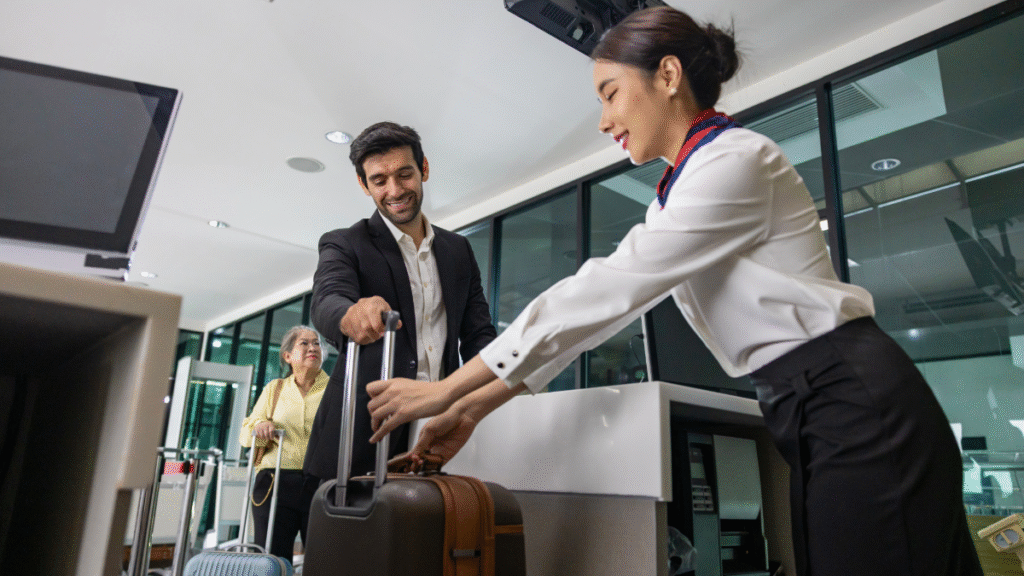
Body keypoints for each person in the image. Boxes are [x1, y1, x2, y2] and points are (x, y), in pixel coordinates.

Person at [364, 7, 983, 576]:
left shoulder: (735, 160)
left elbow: (605, 291)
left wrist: (446, 387)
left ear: (667, 75)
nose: (604, 121)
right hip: (809, 408)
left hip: (853, 398)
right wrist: (471, 408)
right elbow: (596, 322)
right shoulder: (677, 192)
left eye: (610, 94)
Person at [302, 121, 497, 485]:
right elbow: (327, 298)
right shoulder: (345, 243)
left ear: (424, 169)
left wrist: (495, 391)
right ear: (364, 184)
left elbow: (478, 334)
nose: (394, 190)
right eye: (379, 180)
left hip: (440, 427)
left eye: (405, 174)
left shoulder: (458, 250)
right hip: (359, 435)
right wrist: (350, 314)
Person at [239, 325, 328, 562]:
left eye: (317, 343)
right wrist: (260, 425)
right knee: (271, 559)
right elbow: (245, 434)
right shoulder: (274, 389)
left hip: (320, 482)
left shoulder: (334, 390)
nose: (313, 348)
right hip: (274, 482)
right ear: (288, 356)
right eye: (304, 343)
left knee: (323, 559)